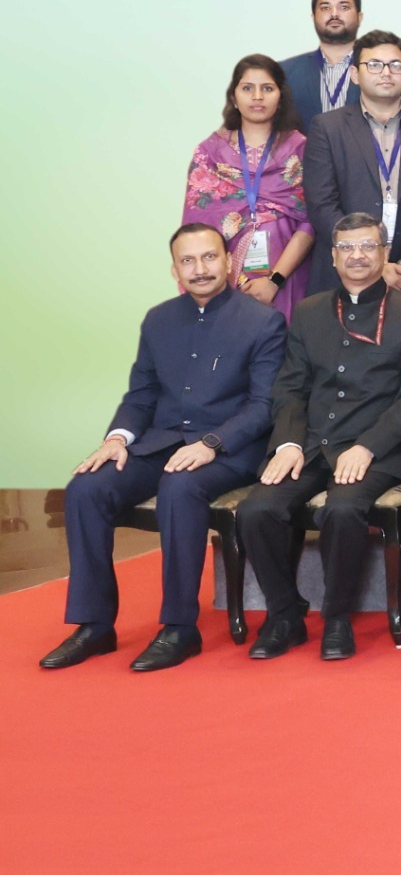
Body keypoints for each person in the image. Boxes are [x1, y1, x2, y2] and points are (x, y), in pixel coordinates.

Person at [41, 225, 284, 672]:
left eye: (209, 257)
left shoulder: (263, 321)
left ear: (227, 262)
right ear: (174, 270)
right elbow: (141, 396)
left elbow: (264, 405)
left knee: (180, 487)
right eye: (187, 261)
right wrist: (117, 439)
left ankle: (179, 627)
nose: (200, 269)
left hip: (230, 450)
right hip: (162, 442)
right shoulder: (158, 320)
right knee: (86, 489)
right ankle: (95, 626)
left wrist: (212, 443)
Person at [236, 213, 401, 661]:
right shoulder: (310, 311)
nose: (357, 255)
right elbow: (290, 388)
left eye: (367, 246)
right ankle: (284, 615)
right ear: (332, 256)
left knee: (343, 510)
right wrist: (289, 443)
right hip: (311, 445)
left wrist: (368, 446)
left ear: (384, 253)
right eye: (347, 247)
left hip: (377, 449)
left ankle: (337, 617)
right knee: (256, 510)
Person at [302, 29, 401, 298]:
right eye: (374, 65)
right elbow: (322, 204)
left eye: (395, 65)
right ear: (354, 74)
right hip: (343, 276)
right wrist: (369, 260)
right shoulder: (327, 127)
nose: (386, 73)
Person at [184, 53, 314, 317]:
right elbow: (196, 231)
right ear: (234, 96)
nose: (257, 97)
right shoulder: (210, 153)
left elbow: (312, 221)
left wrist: (274, 281)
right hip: (227, 282)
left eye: (267, 88)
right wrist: (239, 279)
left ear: (280, 97)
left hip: (290, 278)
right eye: (247, 88)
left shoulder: (301, 149)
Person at [280, 0, 363, 124]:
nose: (334, 14)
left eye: (344, 7)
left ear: (359, 17)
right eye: (325, 8)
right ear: (313, 17)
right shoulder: (286, 72)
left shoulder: (378, 70)